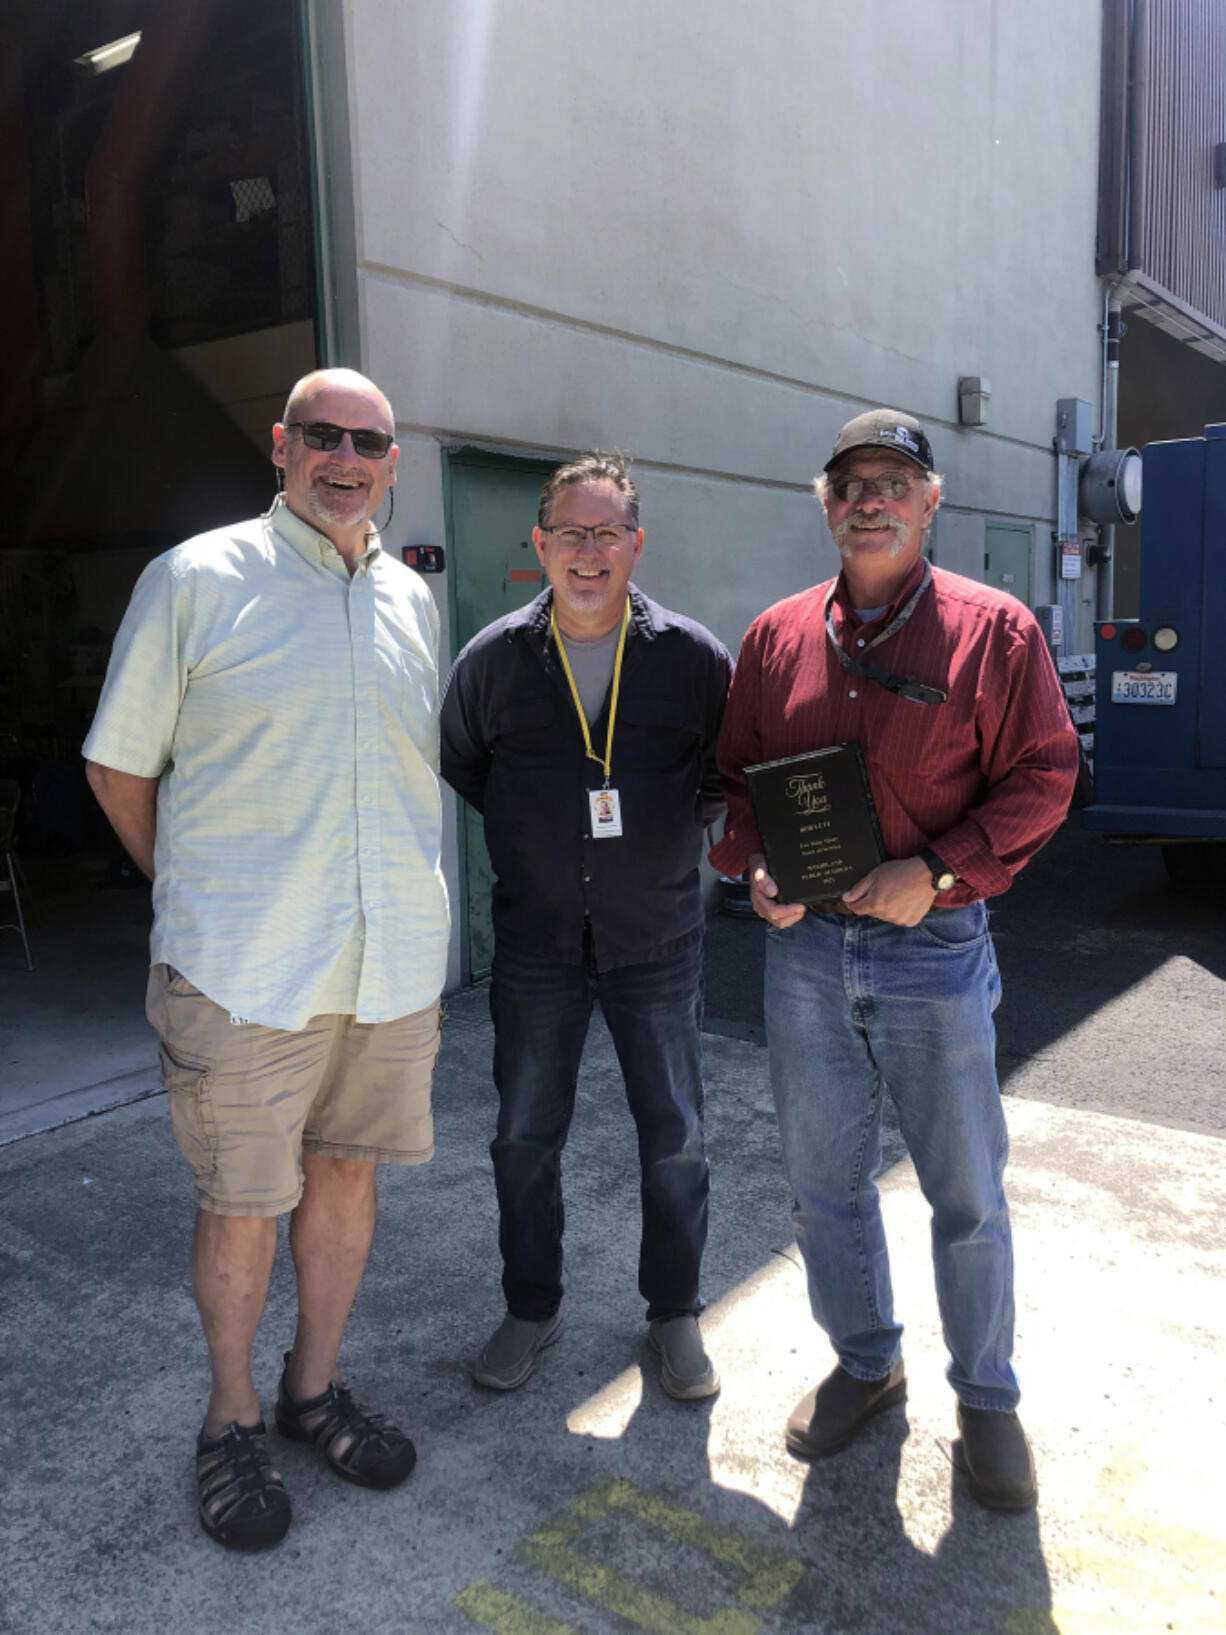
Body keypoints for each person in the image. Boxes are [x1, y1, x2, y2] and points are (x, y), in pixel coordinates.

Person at [84, 368, 450, 1550]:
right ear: (283, 449)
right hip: (243, 968)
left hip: (385, 966)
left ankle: (310, 1392)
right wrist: (193, 896)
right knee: (242, 1203)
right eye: (324, 436)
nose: (347, 457)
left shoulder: (408, 600)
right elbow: (117, 767)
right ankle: (227, 1419)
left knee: (347, 1176)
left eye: (371, 441)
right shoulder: (196, 578)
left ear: (393, 464)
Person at [711, 409, 1079, 1511]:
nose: (867, 499)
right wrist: (755, 872)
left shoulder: (992, 632)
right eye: (848, 483)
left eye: (891, 481)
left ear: (927, 503)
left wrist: (941, 874)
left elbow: (1043, 778)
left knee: (963, 1191)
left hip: (933, 950)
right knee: (823, 1183)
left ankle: (985, 1398)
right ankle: (866, 1365)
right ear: (825, 505)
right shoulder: (775, 637)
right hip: (806, 956)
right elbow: (737, 783)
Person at [440, 453, 732, 1399]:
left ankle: (674, 1315)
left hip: (657, 941)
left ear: (637, 544)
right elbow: (465, 765)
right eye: (572, 530)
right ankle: (532, 1305)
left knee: (676, 1139)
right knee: (524, 1137)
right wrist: (544, 843)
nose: (590, 550)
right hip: (538, 947)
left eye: (609, 532)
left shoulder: (693, 661)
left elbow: (727, 775)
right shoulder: (493, 661)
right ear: (541, 544)